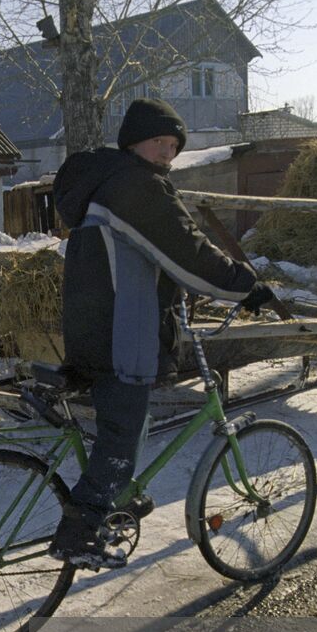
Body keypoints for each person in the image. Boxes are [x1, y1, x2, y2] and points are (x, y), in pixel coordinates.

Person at [48, 99, 276, 570]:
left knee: (129, 425)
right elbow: (187, 252)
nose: (167, 155)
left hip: (97, 327)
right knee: (119, 441)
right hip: (120, 333)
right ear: (134, 142)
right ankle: (77, 532)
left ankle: (123, 500)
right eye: (160, 142)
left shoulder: (108, 180)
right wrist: (243, 286)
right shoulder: (136, 186)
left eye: (174, 147)